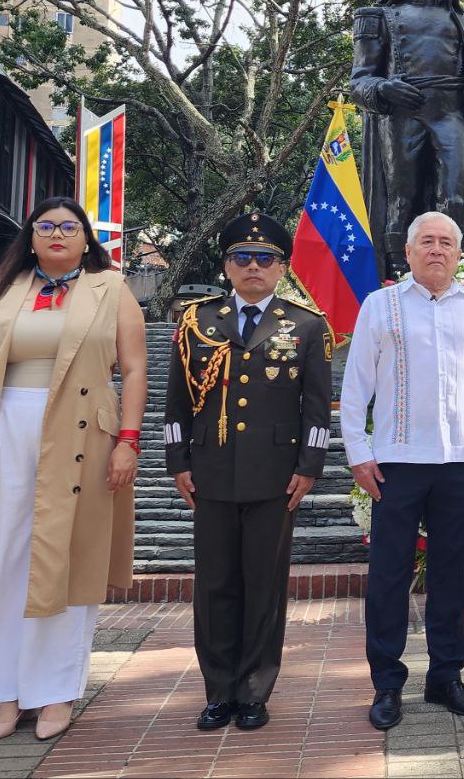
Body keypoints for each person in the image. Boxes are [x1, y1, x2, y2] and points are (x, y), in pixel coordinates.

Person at [0, 197, 146, 742]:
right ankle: (4, 693)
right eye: (45, 226)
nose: (55, 234)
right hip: (3, 436)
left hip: (82, 439)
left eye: (68, 227)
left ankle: (54, 692)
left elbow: (137, 366)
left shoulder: (111, 288)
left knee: (64, 560)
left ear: (85, 238)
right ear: (29, 236)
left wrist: (129, 442)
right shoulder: (0, 290)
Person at [341, 211, 464, 730]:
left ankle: (445, 677)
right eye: (427, 242)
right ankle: (387, 685)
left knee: (451, 574)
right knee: (389, 576)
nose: (437, 250)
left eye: (447, 243)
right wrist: (358, 453)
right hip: (396, 463)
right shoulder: (381, 305)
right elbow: (356, 388)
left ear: (459, 254)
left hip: (462, 461)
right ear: (409, 252)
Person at [164, 212, 332, 732]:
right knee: (215, 586)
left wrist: (309, 465)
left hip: (275, 476)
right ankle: (218, 692)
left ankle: (255, 691)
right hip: (210, 472)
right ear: (226, 266)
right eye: (242, 257)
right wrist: (178, 461)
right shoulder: (196, 321)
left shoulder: (305, 325)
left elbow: (318, 407)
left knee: (263, 585)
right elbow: (176, 403)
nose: (253, 266)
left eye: (265, 259)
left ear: (281, 267)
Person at [349, 0, 464, 277]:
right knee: (401, 199)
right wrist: (384, 88)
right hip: (403, 115)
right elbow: (358, 83)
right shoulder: (378, 17)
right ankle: (396, 271)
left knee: (456, 197)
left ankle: (460, 269)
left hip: (450, 115)